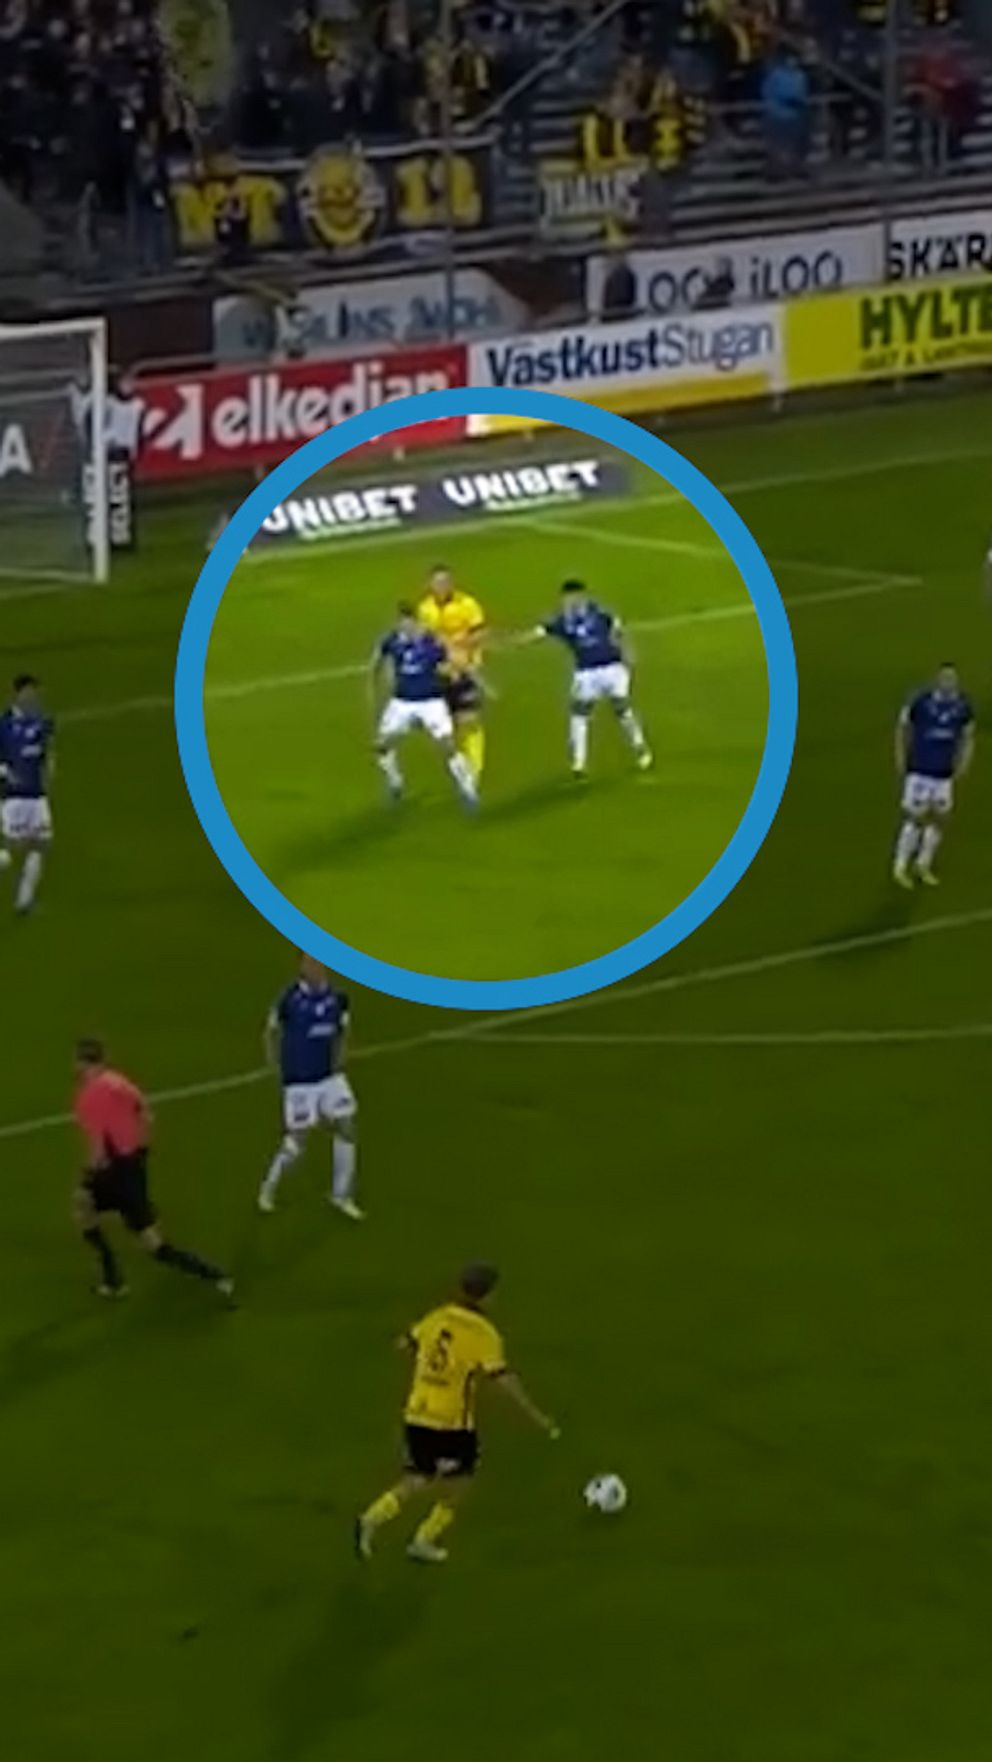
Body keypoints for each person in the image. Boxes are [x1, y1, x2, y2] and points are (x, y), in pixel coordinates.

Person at [355, 1263, 559, 1565]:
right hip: (451, 1421)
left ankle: (371, 1519)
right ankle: (423, 1539)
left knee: (419, 1476)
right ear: (487, 1296)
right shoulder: (483, 1334)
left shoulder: (437, 1317)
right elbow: (502, 1378)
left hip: (417, 1411)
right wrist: (536, 1415)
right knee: (460, 1483)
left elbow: (404, 1343)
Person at [72, 1040, 235, 1302]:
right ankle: (114, 1278)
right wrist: (140, 1148)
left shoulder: (89, 1097)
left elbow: (99, 1147)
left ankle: (214, 1276)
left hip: (112, 1170)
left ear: (81, 1063)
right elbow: (146, 1113)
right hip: (133, 1166)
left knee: (152, 1244)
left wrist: (90, 1171)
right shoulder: (120, 1082)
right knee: (84, 1203)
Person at [258, 954, 361, 1218]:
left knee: (347, 1127)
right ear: (302, 968)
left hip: (329, 1077)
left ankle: (341, 1195)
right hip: (299, 1082)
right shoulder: (289, 999)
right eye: (309, 964)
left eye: (318, 964)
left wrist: (341, 1057)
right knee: (296, 1143)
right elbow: (270, 1031)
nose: (315, 968)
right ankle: (269, 1187)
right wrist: (274, 1066)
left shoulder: (338, 998)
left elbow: (344, 1028)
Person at [526, 581, 653, 778]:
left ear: (583, 596)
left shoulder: (600, 613)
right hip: (585, 672)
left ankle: (639, 747)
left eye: (575, 596)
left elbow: (618, 632)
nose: (571, 601)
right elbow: (538, 633)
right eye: (567, 597)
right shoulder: (562, 621)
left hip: (611, 666)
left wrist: (627, 652)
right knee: (579, 713)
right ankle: (579, 763)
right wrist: (513, 641)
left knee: (621, 707)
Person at [371, 602, 478, 807]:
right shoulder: (392, 641)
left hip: (431, 701)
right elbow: (378, 659)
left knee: (447, 746)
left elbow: (452, 663)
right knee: (382, 745)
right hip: (402, 701)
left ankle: (467, 788)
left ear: (415, 621)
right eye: (401, 622)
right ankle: (395, 781)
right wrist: (376, 679)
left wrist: (462, 675)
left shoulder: (431, 641)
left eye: (408, 622)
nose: (405, 626)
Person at [892, 662, 975, 889]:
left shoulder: (962, 706)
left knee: (941, 818)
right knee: (914, 817)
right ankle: (901, 865)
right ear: (937, 680)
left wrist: (965, 761)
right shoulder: (921, 702)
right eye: (945, 678)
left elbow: (968, 736)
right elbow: (903, 728)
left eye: (952, 678)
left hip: (944, 773)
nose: (948, 682)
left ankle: (923, 864)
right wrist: (900, 755)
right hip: (920, 770)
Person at [416, 565, 488, 784]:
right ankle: (460, 766)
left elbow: (482, 632)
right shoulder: (425, 609)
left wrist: (460, 645)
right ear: (430, 585)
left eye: (446, 582)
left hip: (465, 669)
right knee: (445, 726)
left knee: (470, 721)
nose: (443, 586)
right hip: (440, 673)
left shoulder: (467, 604)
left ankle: (474, 771)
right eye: (438, 582)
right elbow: (424, 640)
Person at [0, 673, 54, 914]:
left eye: (35, 692)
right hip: (14, 797)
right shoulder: (4, 725)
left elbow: (46, 752)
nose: (33, 697)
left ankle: (25, 899)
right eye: (29, 692)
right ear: (18, 694)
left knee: (41, 845)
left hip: (37, 795)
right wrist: (4, 773)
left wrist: (48, 773)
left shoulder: (41, 722)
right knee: (13, 849)